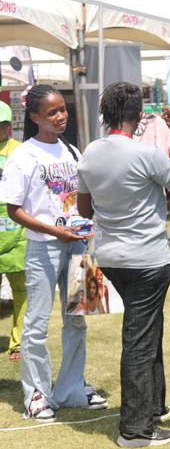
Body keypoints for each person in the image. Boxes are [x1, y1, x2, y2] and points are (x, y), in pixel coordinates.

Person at [77, 82, 170, 447]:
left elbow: (85, 209)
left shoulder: (90, 153)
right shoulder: (146, 154)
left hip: (112, 256)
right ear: (139, 115)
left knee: (148, 332)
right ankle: (135, 429)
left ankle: (154, 406)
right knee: (140, 340)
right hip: (147, 259)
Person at [0, 84, 106, 423]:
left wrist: (85, 225)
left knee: (79, 319)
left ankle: (73, 388)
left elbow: (81, 197)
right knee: (35, 326)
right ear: (34, 117)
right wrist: (53, 230)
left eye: (63, 110)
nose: (61, 116)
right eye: (52, 112)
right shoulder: (23, 155)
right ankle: (36, 395)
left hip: (79, 244)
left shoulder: (71, 149)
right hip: (43, 248)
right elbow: (13, 209)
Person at [0, 101, 27, 362]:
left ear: (9, 126)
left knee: (21, 291)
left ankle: (18, 342)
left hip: (16, 231)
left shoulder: (21, 151)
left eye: (1, 125)